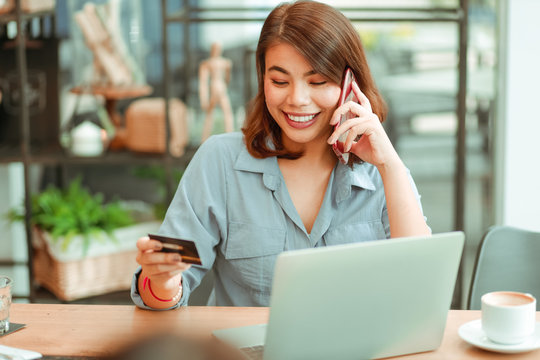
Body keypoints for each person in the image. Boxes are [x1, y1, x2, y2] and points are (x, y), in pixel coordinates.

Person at [131, 0, 431, 310]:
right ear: (263, 80)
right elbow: (163, 292)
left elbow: (419, 291)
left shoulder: (382, 171)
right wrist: (163, 282)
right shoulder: (219, 161)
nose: (297, 99)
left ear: (349, 86)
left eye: (317, 82)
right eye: (279, 81)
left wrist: (390, 165)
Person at [198, 42, 234, 142]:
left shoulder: (224, 63)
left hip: (219, 87)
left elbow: (228, 78)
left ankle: (229, 137)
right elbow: (203, 82)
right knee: (211, 114)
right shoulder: (208, 63)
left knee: (226, 113)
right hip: (216, 87)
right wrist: (203, 98)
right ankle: (204, 139)